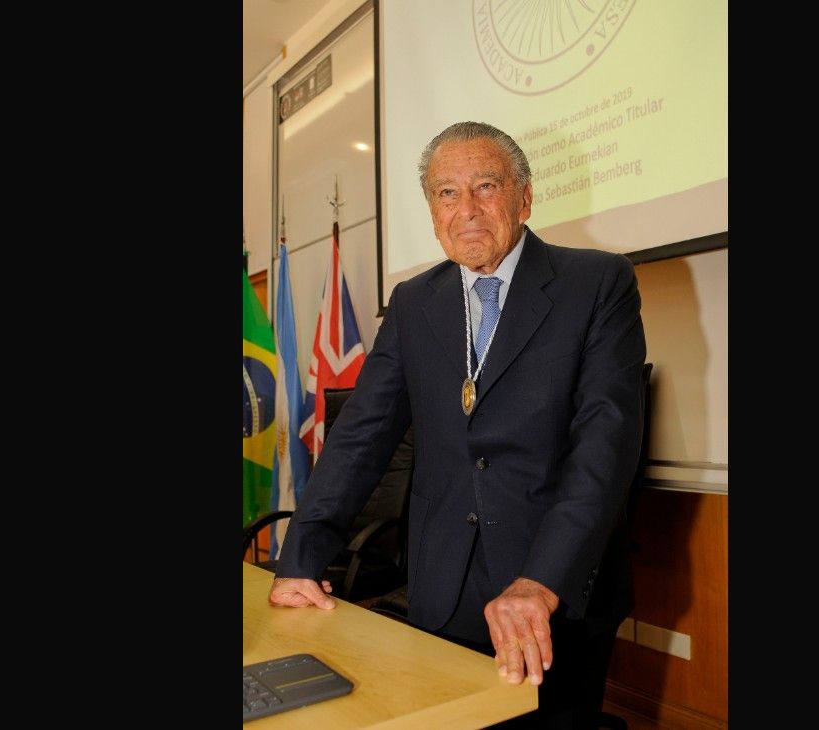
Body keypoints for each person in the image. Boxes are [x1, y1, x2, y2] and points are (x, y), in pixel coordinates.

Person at [270, 120, 646, 728]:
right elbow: (362, 435)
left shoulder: (597, 282)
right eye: (446, 193)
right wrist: (301, 558)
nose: (465, 209)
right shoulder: (415, 301)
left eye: (485, 186)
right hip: (441, 584)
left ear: (524, 197)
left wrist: (542, 581)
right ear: (431, 209)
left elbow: (605, 446)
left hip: (553, 589)